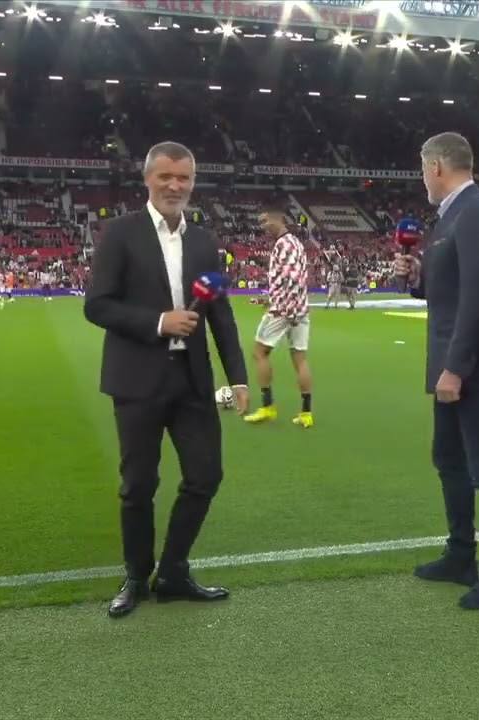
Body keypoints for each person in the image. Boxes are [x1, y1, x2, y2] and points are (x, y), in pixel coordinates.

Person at [83, 141, 250, 619]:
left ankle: (173, 570)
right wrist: (159, 322)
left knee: (205, 475)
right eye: (166, 177)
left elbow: (221, 314)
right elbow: (97, 305)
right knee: (139, 484)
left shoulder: (203, 239)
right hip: (137, 380)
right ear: (148, 180)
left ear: (193, 182)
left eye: (184, 178)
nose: (175, 186)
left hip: (193, 380)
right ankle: (136, 575)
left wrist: (238, 377)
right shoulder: (120, 233)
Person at [392, 132, 479, 610]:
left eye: (422, 168)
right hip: (456, 362)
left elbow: (477, 301)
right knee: (449, 460)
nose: (423, 177)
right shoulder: (451, 217)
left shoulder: (478, 213)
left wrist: (455, 369)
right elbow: (449, 291)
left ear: (436, 167)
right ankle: (461, 555)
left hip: (478, 366)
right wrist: (417, 280)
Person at [243, 206, 315, 428]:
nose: (263, 227)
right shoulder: (295, 244)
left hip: (286, 310)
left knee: (259, 352)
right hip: (299, 308)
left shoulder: (284, 244)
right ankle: (306, 413)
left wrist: (287, 310)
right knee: (299, 358)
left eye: (266, 222)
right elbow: (288, 280)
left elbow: (294, 280)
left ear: (279, 220)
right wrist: (268, 299)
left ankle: (267, 407)